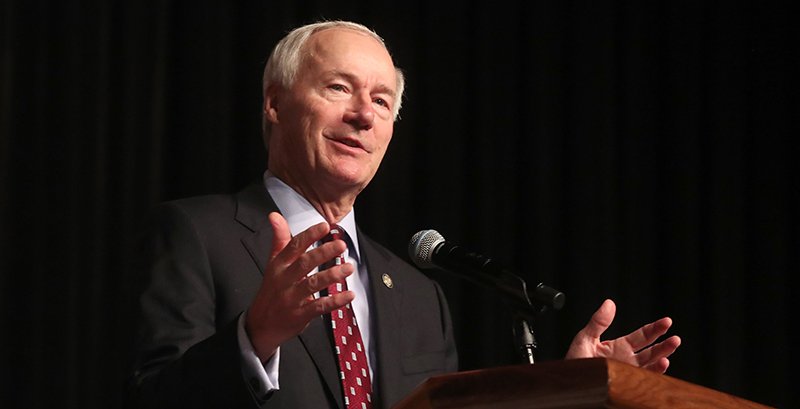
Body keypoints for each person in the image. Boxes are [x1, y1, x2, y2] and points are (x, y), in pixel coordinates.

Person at [128, 20, 680, 409]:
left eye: (383, 101)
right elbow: (153, 397)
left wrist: (569, 391)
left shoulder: (419, 295)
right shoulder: (196, 234)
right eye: (339, 87)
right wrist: (256, 337)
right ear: (274, 103)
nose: (364, 115)